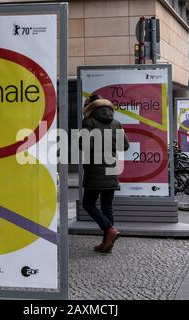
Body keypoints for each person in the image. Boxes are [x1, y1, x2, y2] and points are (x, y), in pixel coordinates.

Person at [80, 95, 129, 253]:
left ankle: (109, 230)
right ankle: (107, 243)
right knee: (107, 206)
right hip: (112, 168)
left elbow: (83, 144)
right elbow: (125, 146)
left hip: (95, 169)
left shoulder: (89, 122)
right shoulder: (116, 123)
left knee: (88, 203)